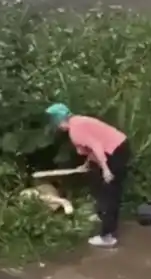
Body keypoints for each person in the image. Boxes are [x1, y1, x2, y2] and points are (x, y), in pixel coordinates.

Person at [45, 103, 131, 248]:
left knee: (109, 191)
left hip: (115, 151)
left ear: (60, 120)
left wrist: (106, 169)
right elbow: (92, 147)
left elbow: (96, 146)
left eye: (55, 123)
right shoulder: (78, 121)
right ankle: (101, 214)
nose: (57, 127)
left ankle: (108, 236)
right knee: (97, 180)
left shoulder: (75, 131)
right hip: (118, 146)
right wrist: (86, 164)